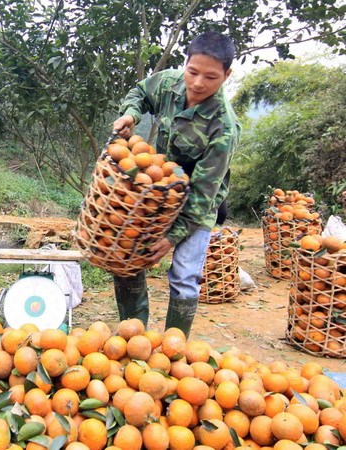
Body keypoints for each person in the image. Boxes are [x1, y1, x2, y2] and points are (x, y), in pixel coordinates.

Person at [112, 31, 240, 336]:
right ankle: (134, 337)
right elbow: (139, 93)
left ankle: (173, 349)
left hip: (199, 204)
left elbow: (203, 196)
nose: (197, 83)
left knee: (184, 275)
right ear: (186, 64)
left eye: (210, 77)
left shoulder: (223, 128)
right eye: (193, 71)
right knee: (128, 258)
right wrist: (131, 114)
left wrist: (171, 238)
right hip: (156, 193)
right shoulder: (169, 83)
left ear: (226, 75)